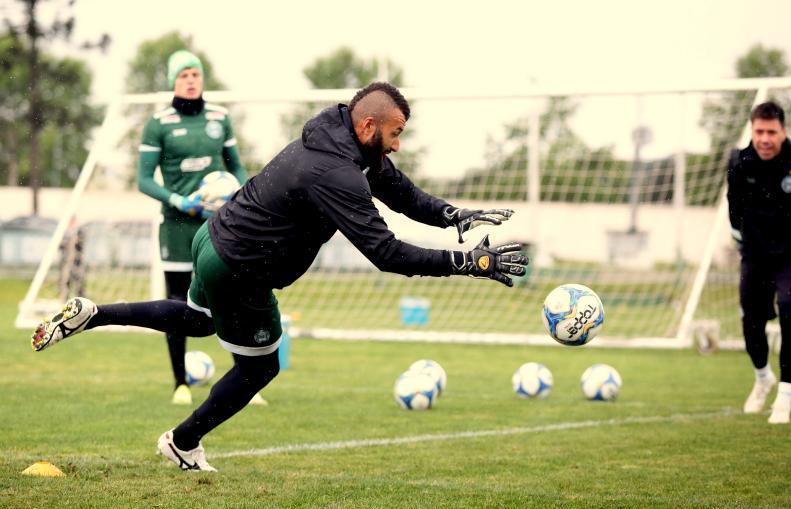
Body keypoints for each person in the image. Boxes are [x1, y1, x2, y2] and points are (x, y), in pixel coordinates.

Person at [31, 82, 528, 471]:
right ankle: (182, 442)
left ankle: (94, 313)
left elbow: (399, 191)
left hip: (214, 239)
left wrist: (452, 215)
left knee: (199, 321)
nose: (397, 145)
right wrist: (471, 262)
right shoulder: (334, 173)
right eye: (395, 134)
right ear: (369, 125)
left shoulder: (339, 138)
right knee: (259, 369)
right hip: (240, 268)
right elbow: (386, 253)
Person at [138, 50, 262, 406]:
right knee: (177, 302)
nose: (191, 80)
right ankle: (180, 383)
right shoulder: (158, 122)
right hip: (177, 226)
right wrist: (178, 201)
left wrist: (238, 196)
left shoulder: (219, 117)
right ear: (173, 82)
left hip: (219, 226)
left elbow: (236, 167)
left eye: (196, 74)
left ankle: (246, 379)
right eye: (183, 75)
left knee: (234, 297)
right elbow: (144, 180)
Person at [727, 100, 791, 424]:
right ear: (752, 131)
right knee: (751, 320)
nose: (765, 139)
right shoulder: (739, 162)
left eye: (771, 132)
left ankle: (786, 394)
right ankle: (763, 377)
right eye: (759, 131)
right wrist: (743, 247)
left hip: (790, 255)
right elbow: (734, 211)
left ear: (783, 132)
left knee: (790, 307)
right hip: (755, 254)